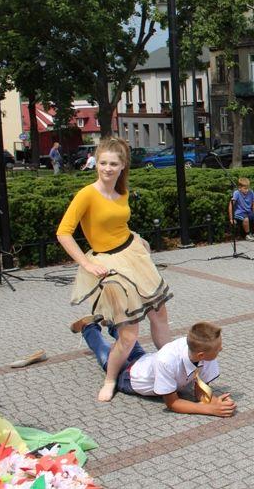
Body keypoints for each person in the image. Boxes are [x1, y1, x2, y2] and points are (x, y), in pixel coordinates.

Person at [57, 137, 172, 402]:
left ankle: (170, 364)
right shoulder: (87, 193)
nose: (107, 168)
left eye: (113, 164)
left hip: (134, 255)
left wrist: (136, 236)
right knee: (129, 332)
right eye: (103, 163)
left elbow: (116, 225)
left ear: (123, 166)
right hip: (108, 263)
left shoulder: (122, 193)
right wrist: (87, 263)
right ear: (96, 163)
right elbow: (63, 233)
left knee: (159, 314)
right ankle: (110, 379)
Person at [73, 319, 233, 416]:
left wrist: (214, 402)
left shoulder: (202, 348)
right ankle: (89, 327)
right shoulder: (168, 361)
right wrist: (210, 410)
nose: (221, 349)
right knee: (104, 353)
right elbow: (173, 404)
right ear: (201, 355)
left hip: (145, 361)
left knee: (129, 343)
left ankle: (115, 325)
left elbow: (199, 392)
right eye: (218, 349)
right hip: (130, 377)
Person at [230, 177, 254, 241]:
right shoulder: (236, 193)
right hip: (239, 213)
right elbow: (231, 205)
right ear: (240, 188)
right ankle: (248, 234)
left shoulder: (251, 192)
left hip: (248, 212)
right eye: (245, 188)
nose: (247, 190)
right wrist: (231, 218)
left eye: (248, 188)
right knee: (245, 218)